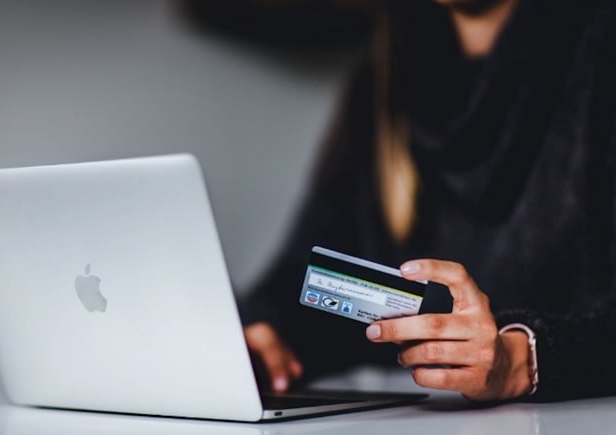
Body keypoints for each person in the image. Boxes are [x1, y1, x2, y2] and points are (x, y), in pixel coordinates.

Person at [238, 0, 616, 402]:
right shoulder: (386, 77)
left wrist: (524, 359)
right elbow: (306, 279)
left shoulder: (599, 47)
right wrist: (268, 336)